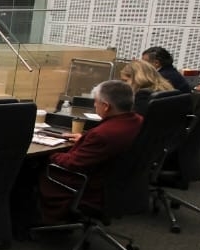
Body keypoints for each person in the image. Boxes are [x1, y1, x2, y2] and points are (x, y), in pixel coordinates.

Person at [39, 80, 143, 223]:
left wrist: (49, 154)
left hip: (89, 186)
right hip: (118, 185)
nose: (94, 105)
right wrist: (84, 139)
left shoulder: (102, 134)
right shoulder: (138, 121)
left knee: (32, 167)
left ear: (106, 106)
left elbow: (72, 163)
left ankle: (37, 219)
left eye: (96, 101)